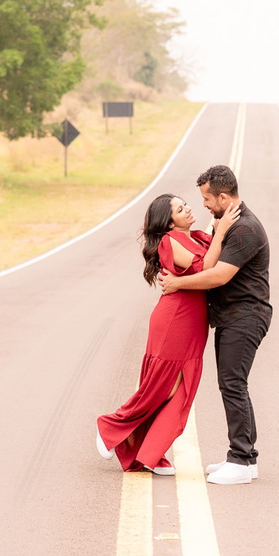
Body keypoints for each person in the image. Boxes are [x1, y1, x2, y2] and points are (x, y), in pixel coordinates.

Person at [96, 193, 240, 474]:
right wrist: (221, 229)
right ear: (168, 222)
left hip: (194, 322)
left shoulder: (198, 237)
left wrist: (217, 232)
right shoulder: (170, 241)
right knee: (162, 388)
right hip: (175, 319)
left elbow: (216, 262)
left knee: (179, 393)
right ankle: (110, 427)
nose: (187, 208)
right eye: (179, 208)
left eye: (185, 204)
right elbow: (205, 267)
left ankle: (150, 452)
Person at [159, 164, 271, 486]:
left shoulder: (244, 228)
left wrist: (180, 284)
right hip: (233, 316)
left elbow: (219, 275)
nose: (204, 205)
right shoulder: (230, 223)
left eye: (208, 199)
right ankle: (244, 459)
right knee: (233, 384)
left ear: (223, 197)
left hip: (246, 315)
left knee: (233, 383)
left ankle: (240, 459)